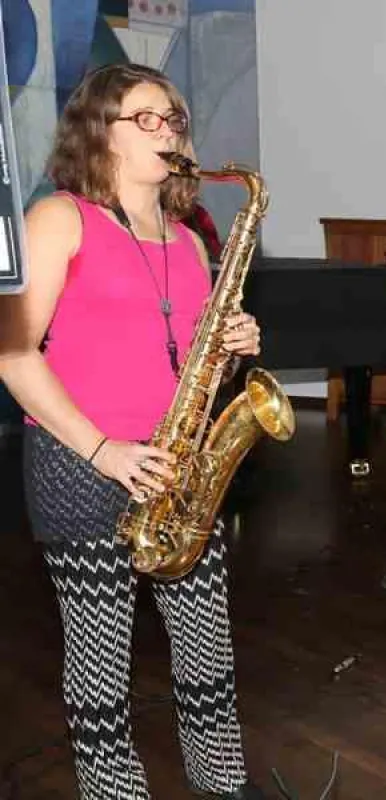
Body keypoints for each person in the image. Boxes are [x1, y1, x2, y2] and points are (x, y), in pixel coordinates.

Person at [0, 64, 266, 799]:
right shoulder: (59, 218)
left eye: (173, 117)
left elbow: (192, 369)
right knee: (100, 661)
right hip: (80, 463)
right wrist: (103, 450)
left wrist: (234, 347)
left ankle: (223, 782)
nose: (168, 129)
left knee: (208, 648)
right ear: (100, 134)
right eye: (145, 117)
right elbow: (12, 354)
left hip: (174, 466)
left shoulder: (188, 241)